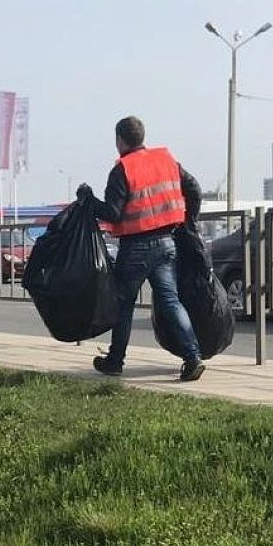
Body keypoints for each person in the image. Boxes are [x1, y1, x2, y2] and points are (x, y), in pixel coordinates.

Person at [77, 116, 205, 381]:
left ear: (119, 140)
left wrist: (89, 200)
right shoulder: (167, 160)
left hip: (136, 247)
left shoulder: (122, 169)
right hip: (167, 243)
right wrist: (187, 220)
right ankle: (193, 357)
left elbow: (112, 213)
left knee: (124, 305)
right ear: (142, 137)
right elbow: (194, 188)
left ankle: (115, 361)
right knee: (170, 300)